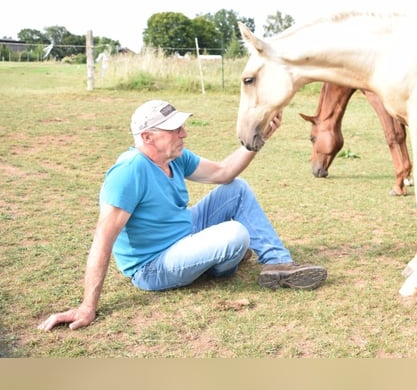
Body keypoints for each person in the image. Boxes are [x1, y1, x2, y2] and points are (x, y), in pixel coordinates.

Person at [38, 99, 326, 331]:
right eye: (174, 129)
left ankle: (278, 265)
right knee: (235, 234)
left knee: (236, 188)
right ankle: (223, 260)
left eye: (181, 127)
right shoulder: (128, 172)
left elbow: (224, 172)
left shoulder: (175, 158)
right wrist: (88, 306)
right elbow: (102, 241)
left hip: (185, 232)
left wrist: (257, 139)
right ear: (147, 137)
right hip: (153, 266)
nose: (184, 133)